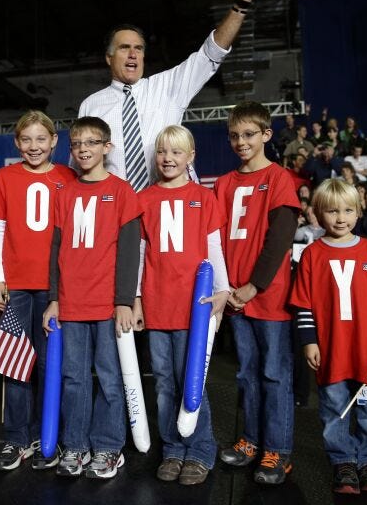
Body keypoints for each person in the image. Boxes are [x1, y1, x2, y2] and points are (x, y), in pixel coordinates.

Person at [77, 0, 272, 189]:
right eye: (124, 48)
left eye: (138, 48)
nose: (133, 54)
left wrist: (242, 1)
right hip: (116, 211)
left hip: (166, 208)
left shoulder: (168, 86)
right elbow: (80, 168)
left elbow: (211, 53)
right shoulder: (91, 105)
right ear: (108, 57)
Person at [290, 179, 367, 494]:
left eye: (347, 210)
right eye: (332, 211)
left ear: (357, 212)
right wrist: (309, 341)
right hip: (332, 349)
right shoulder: (312, 255)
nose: (340, 218)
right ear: (317, 214)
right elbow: (303, 305)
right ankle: (343, 461)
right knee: (334, 408)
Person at [42, 116, 140, 480]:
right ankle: (77, 446)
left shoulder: (123, 191)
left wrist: (124, 300)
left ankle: (109, 447)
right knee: (73, 378)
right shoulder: (64, 193)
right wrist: (54, 299)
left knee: (111, 378)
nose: (84, 149)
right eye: (78, 143)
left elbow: (130, 251)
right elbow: (56, 250)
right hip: (71, 303)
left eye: (91, 143)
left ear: (106, 147)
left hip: (106, 305)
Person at [133, 125, 229, 485]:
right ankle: (173, 448)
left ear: (191, 157)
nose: (168, 158)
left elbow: (214, 246)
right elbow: (141, 254)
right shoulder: (145, 199)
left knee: (193, 381)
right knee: (163, 382)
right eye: (162, 152)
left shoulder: (203, 198)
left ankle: (201, 450)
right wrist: (138, 299)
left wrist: (222, 288)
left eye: (176, 152)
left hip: (196, 307)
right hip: (158, 306)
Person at [214, 101, 299, 484]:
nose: (241, 142)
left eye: (248, 134)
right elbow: (214, 239)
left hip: (267, 296)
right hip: (235, 298)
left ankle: (277, 452)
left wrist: (254, 285)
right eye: (234, 135)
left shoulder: (279, 178)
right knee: (247, 373)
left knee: (274, 374)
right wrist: (225, 286)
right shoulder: (223, 183)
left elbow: (280, 239)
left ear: (266, 134)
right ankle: (250, 440)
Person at [0, 110, 76, 472]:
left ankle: (47, 434)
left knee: (49, 364)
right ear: (17, 144)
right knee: (15, 365)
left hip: (56, 288)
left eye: (42, 139)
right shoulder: (5, 177)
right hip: (17, 287)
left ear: (55, 141)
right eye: (27, 140)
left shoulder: (68, 177)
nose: (34, 146)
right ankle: (16, 439)